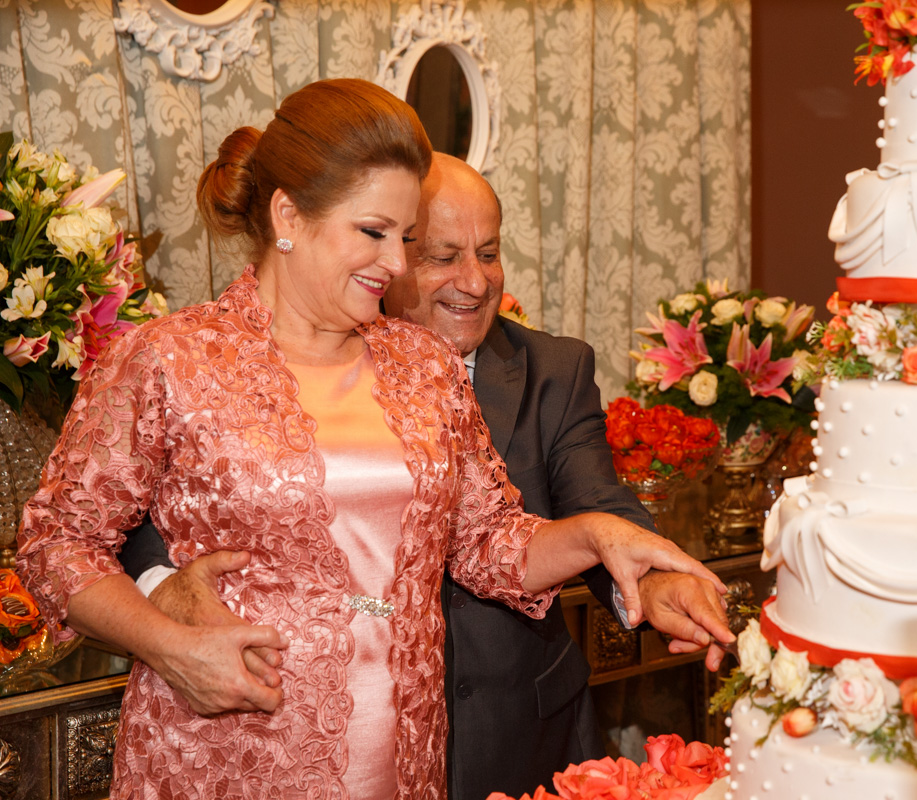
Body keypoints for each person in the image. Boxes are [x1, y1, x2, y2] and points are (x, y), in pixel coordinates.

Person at [16, 79, 725, 800]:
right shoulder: (168, 359)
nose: (396, 264)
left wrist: (597, 534)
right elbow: (55, 540)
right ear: (289, 215)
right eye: (373, 232)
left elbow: (487, 542)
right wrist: (167, 644)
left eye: (405, 237)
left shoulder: (423, 365)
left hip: (402, 761)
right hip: (223, 755)